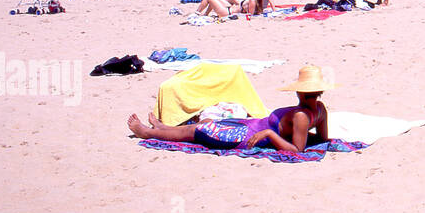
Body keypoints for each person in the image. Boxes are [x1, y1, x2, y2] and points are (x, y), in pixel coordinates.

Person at [127, 64, 333, 152]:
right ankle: (163, 128)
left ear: (299, 91)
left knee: (199, 130)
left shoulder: (301, 116)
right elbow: (322, 139)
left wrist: (269, 134)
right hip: (250, 125)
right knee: (206, 123)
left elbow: (297, 150)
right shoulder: (320, 109)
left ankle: (146, 132)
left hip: (246, 135)